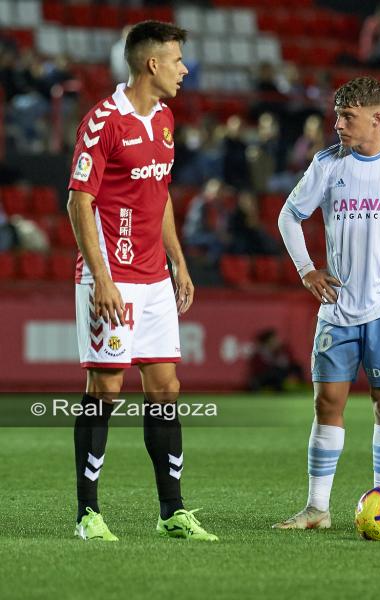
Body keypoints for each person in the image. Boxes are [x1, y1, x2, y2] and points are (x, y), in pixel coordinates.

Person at [67, 20, 217, 542]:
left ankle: (172, 511)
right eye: (177, 60)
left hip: (154, 279)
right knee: (106, 388)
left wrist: (178, 261)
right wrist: (102, 280)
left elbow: (162, 194)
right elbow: (78, 201)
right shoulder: (103, 121)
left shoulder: (166, 120)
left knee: (166, 388)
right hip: (111, 278)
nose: (185, 68)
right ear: (151, 64)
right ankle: (89, 514)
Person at [274, 76, 380, 530]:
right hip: (337, 305)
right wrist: (306, 269)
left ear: (377, 117)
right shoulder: (327, 164)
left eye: (347, 117)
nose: (337, 124)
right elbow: (289, 216)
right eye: (337, 115)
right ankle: (318, 508)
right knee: (326, 403)